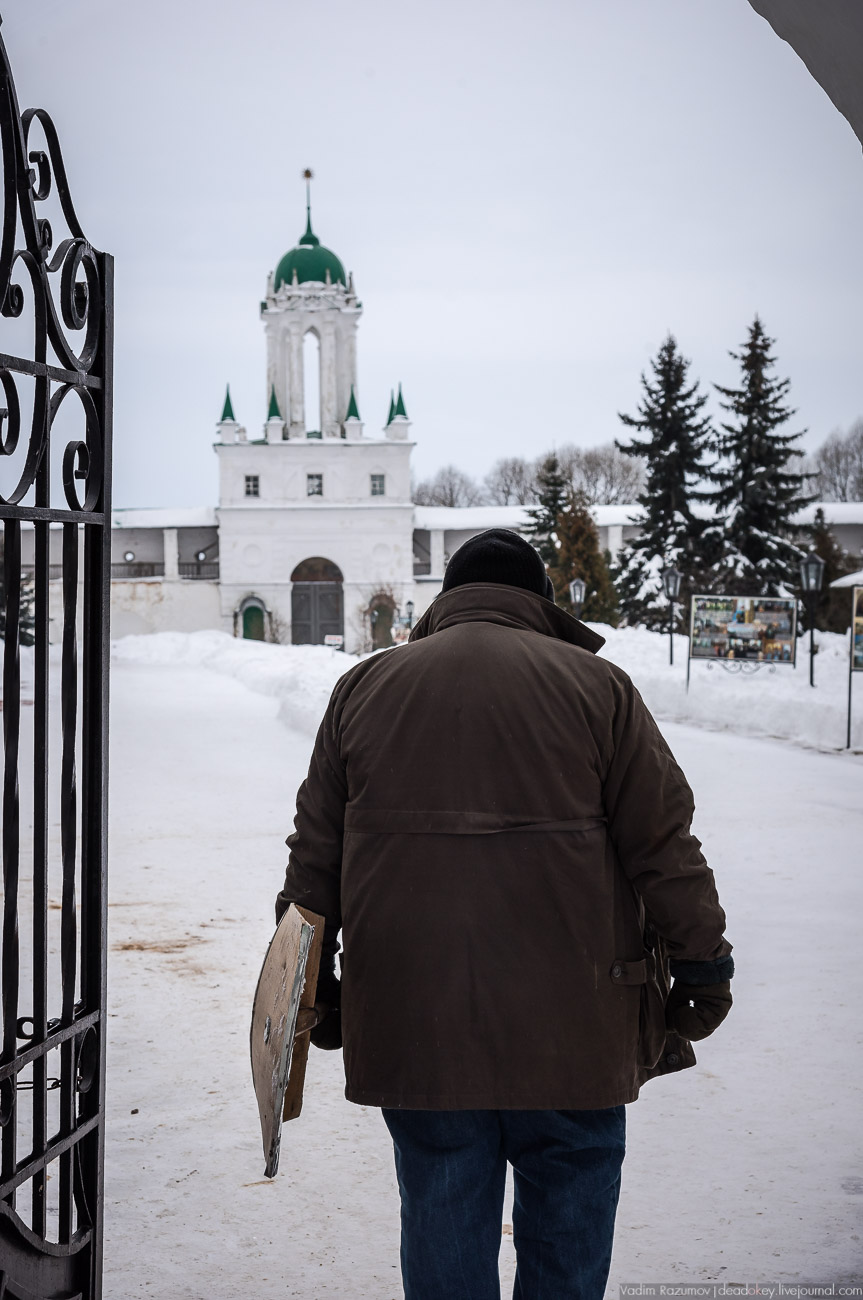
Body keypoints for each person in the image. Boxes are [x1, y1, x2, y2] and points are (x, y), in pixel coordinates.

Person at [275, 527, 733, 1300]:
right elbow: (663, 844)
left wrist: (309, 986)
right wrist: (702, 966)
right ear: (540, 602)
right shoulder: (599, 688)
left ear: (448, 599)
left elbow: (314, 858)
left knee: (441, 1212)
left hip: (414, 1018)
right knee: (570, 1216)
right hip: (576, 1022)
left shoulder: (364, 688)